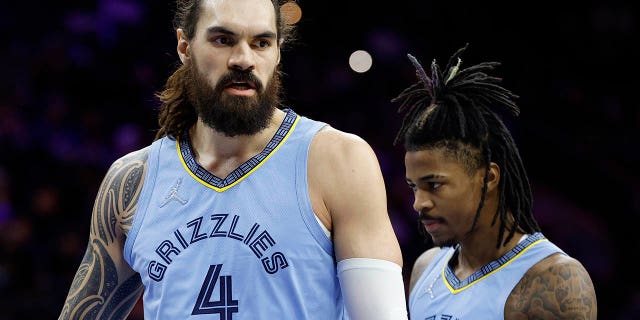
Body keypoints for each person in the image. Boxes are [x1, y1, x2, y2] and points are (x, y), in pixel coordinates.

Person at [58, 0, 408, 319]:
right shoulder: (133, 180)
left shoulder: (338, 160)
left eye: (261, 42)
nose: (244, 59)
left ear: (277, 52)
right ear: (185, 47)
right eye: (223, 40)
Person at [391, 44, 597, 319]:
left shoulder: (552, 279)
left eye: (435, 185)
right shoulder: (425, 268)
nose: (419, 203)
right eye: (414, 186)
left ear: (487, 177)